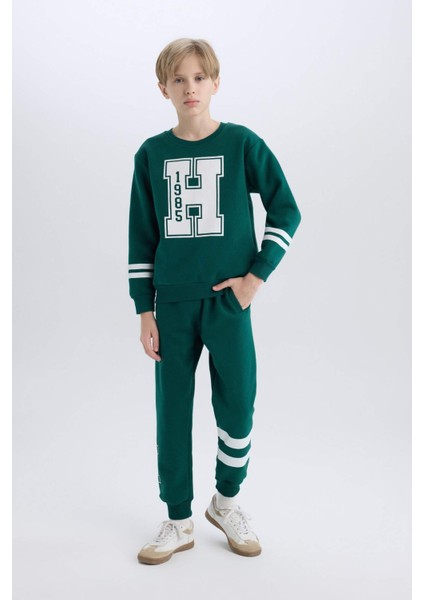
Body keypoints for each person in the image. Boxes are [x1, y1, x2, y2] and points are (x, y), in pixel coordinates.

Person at [128, 38, 301, 565]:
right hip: (172, 306)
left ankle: (225, 502)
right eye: (178, 79)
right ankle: (178, 518)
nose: (190, 88)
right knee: (172, 412)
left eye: (199, 77)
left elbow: (287, 210)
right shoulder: (151, 154)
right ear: (163, 88)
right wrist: (144, 309)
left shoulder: (242, 144)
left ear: (215, 82)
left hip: (229, 304)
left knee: (238, 403)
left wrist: (254, 279)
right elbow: (142, 237)